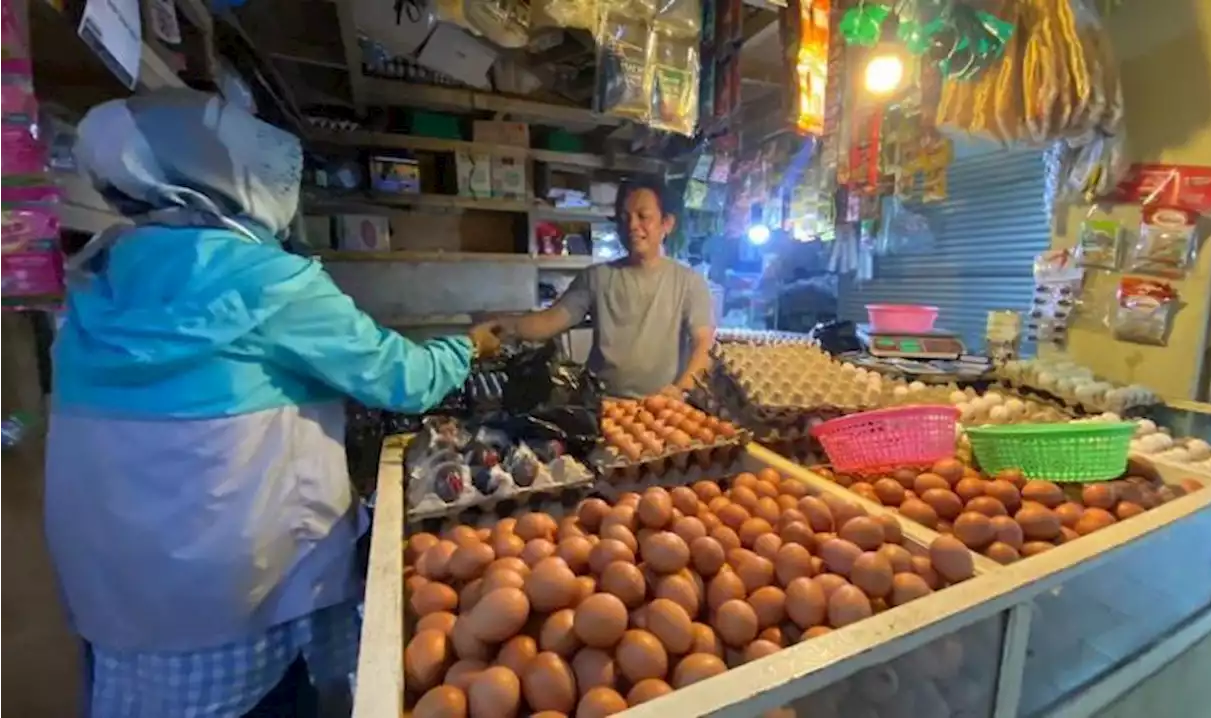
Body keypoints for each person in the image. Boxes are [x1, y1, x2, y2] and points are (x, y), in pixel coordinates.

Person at [43, 89, 500, 718]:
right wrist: (468, 344)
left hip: (118, 588)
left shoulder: (100, 275)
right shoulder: (268, 280)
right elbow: (403, 379)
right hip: (232, 590)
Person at [485, 180, 715, 398]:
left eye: (643, 216)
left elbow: (703, 343)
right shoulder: (597, 277)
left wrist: (681, 391)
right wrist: (502, 325)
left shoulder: (689, 283)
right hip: (603, 404)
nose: (632, 225)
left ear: (667, 223)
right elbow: (549, 321)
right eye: (624, 218)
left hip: (662, 410)